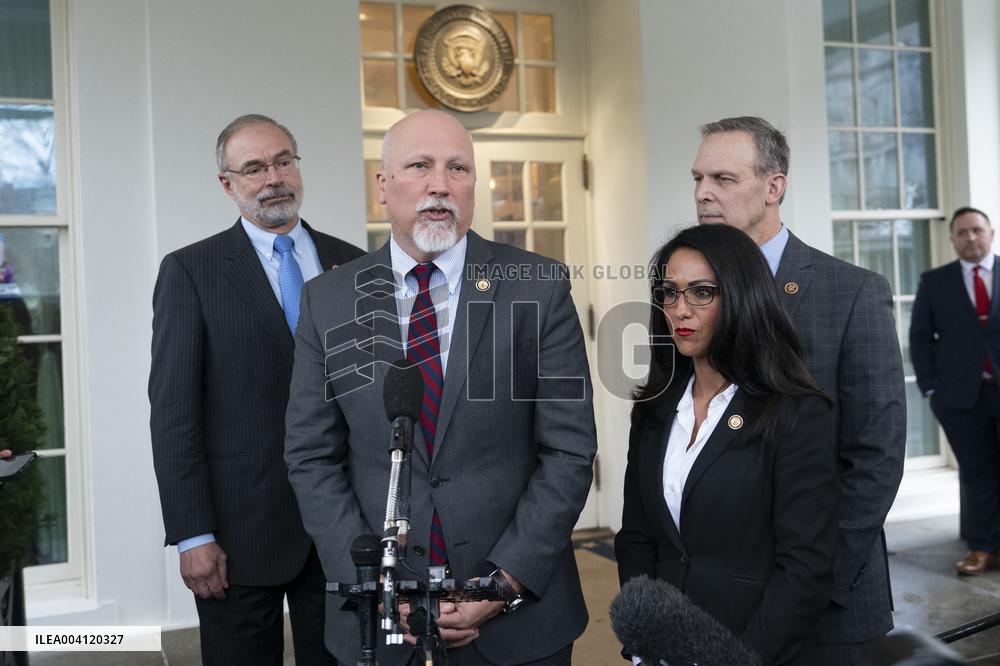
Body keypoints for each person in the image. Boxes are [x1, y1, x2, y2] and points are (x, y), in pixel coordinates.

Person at [283, 109, 597, 665]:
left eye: (458, 168)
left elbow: (569, 450)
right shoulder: (328, 300)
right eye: (419, 166)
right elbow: (312, 457)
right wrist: (378, 589)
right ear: (382, 185)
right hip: (383, 626)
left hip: (518, 623)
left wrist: (503, 583)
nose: (440, 185)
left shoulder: (539, 288)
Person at [149, 114, 364, 665]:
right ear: (228, 183)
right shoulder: (190, 271)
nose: (273, 178)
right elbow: (174, 413)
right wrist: (192, 534)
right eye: (254, 167)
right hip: (237, 536)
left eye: (283, 161)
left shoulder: (357, 267)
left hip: (343, 527)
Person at [690, 116, 905, 663]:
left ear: (773, 186)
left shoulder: (853, 293)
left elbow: (875, 458)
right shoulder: (687, 293)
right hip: (714, 599)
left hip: (826, 606)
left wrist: (814, 581)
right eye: (697, 179)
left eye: (722, 178)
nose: (703, 194)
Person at [615, 223, 839, 665]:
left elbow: (805, 569)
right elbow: (638, 540)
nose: (680, 309)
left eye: (701, 293)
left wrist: (737, 659)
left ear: (741, 296)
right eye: (670, 292)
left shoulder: (796, 412)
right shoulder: (655, 411)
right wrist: (646, 643)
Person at [910, 207, 1000, 575]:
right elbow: (919, 339)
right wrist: (932, 390)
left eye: (976, 230)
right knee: (977, 473)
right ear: (952, 240)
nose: (970, 238)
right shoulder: (935, 281)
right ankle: (982, 547)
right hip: (961, 398)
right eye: (962, 233)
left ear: (991, 233)